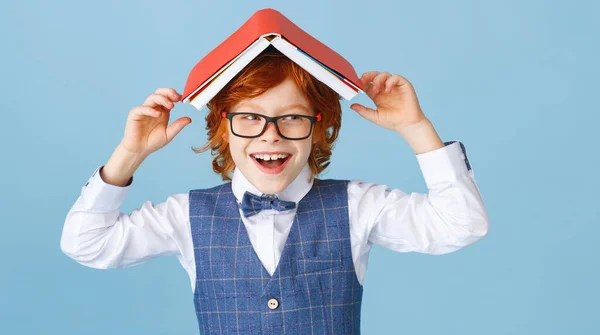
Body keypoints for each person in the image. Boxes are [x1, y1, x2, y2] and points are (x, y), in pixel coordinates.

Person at [61, 48, 489, 334]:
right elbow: (87, 244)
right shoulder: (185, 216)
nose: (271, 136)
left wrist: (416, 129)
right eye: (249, 118)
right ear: (222, 127)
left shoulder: (358, 206)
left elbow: (461, 224)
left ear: (319, 127)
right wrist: (129, 154)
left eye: (292, 118)